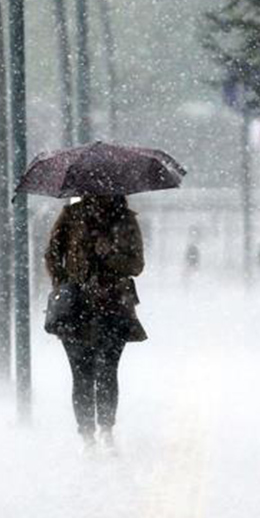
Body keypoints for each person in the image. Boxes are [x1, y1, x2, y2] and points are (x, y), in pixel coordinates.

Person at [44, 194, 147, 454]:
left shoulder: (125, 219)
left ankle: (106, 430)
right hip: (76, 309)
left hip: (113, 306)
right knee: (81, 374)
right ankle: (87, 435)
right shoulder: (71, 216)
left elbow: (136, 265)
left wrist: (109, 254)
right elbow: (52, 254)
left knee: (108, 371)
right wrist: (64, 283)